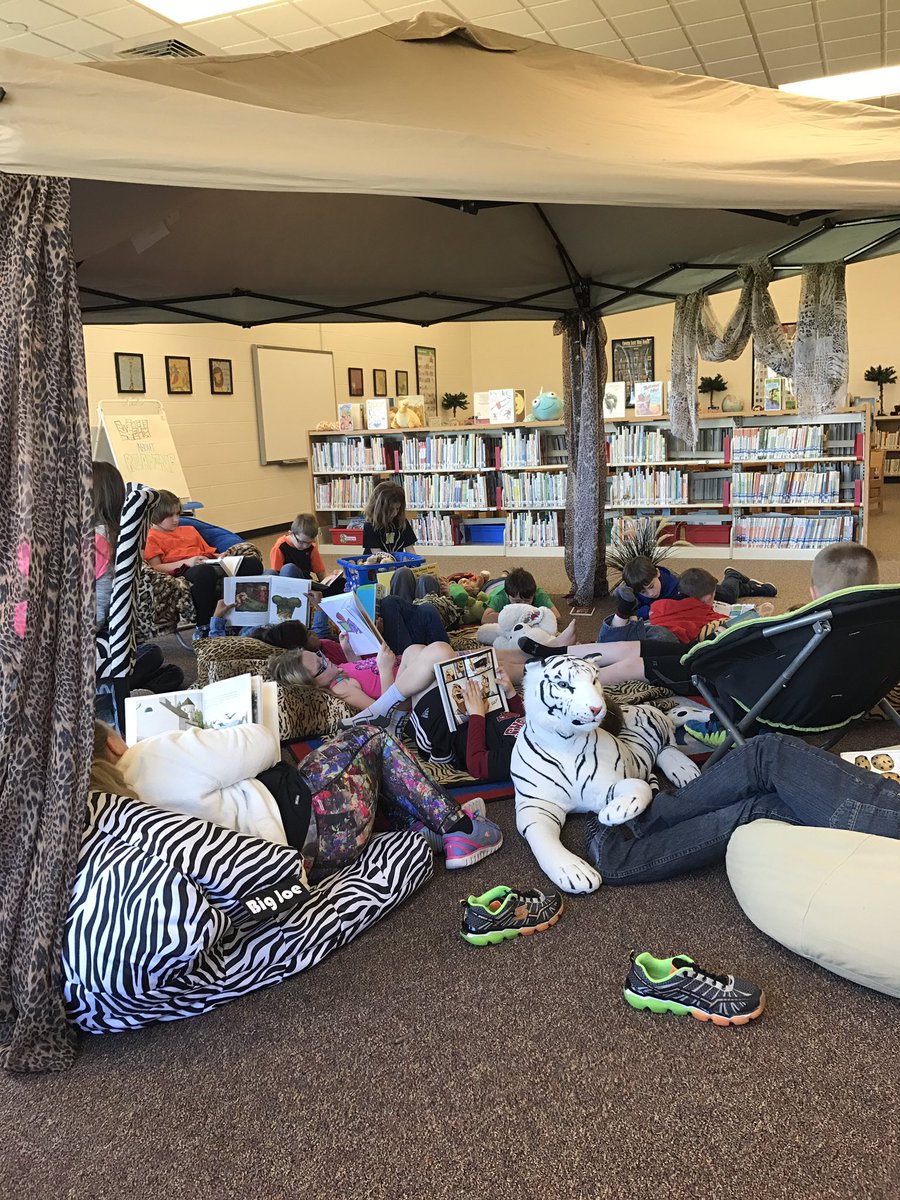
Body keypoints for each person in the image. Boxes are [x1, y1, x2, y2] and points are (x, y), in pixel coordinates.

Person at [92, 718, 502, 875]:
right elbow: (264, 745)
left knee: (337, 770)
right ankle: (460, 828)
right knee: (370, 737)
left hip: (291, 865)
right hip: (318, 822)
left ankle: (423, 828)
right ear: (112, 744)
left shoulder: (105, 813)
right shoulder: (150, 755)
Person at [585, 732, 900, 885]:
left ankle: (644, 820)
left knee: (767, 752)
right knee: (758, 806)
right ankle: (624, 858)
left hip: (887, 815)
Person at [92, 461, 184, 712]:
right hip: (111, 637)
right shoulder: (116, 532)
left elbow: (94, 607)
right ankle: (138, 692)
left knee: (152, 656)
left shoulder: (94, 540)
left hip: (86, 636)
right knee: (154, 656)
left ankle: (118, 691)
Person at [143, 489, 264, 637]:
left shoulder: (190, 530)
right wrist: (188, 562)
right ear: (156, 516)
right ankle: (204, 625)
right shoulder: (151, 537)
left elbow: (207, 552)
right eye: (170, 516)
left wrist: (221, 556)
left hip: (207, 563)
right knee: (204, 572)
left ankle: (244, 615)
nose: (176, 519)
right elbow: (155, 568)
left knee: (252, 563)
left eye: (178, 514)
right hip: (183, 570)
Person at [615, 556, 775, 624]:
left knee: (729, 596)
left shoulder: (675, 585)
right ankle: (748, 588)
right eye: (643, 592)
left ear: (657, 573)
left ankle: (732, 576)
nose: (650, 594)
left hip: (697, 589)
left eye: (651, 587)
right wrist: (647, 611)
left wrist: (650, 611)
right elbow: (634, 610)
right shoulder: (636, 590)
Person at [480, 566, 561, 625]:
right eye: (517, 601)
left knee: (505, 578)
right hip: (492, 585)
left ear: (533, 595)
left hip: (507, 583)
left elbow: (557, 616)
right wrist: (518, 616)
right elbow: (485, 619)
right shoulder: (500, 596)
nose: (523, 605)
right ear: (507, 595)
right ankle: (502, 576)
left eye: (527, 600)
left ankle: (505, 575)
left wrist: (530, 616)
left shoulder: (538, 593)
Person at [362, 481, 416, 555]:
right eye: (390, 510)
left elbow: (410, 550)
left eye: (398, 508)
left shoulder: (402, 523)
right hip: (376, 561)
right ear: (379, 508)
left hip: (396, 561)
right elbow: (377, 553)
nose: (395, 513)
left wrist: (415, 560)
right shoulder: (370, 525)